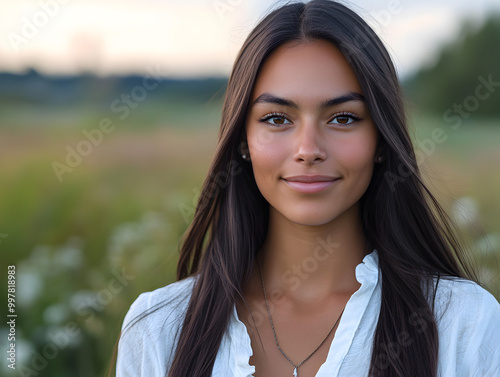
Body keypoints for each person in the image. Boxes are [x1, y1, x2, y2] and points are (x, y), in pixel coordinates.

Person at [115, 1, 500, 376]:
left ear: (382, 140)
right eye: (278, 118)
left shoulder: (462, 323)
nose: (308, 150)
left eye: (343, 118)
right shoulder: (158, 328)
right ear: (243, 141)